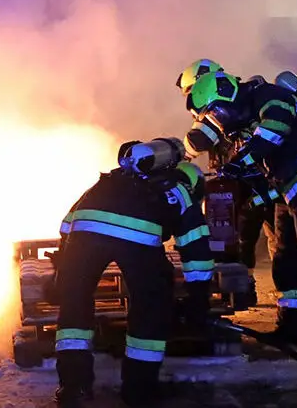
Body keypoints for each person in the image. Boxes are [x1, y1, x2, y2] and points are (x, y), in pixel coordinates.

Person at [186, 71, 297, 356]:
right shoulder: (247, 117)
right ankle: (294, 325)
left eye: (216, 113)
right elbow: (268, 166)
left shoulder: (270, 96)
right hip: (290, 190)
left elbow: (275, 131)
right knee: (285, 259)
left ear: (226, 95)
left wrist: (241, 161)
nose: (217, 119)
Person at [51, 137, 213, 408]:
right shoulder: (180, 191)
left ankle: (73, 388)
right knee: (150, 307)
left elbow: (67, 225)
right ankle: (139, 390)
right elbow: (196, 251)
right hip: (138, 240)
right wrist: (198, 298)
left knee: (74, 308)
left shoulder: (110, 179)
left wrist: (62, 269)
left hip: (84, 236)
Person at [177, 60, 275, 307]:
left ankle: (243, 290)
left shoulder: (217, 109)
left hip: (244, 185)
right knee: (274, 237)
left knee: (236, 240)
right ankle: (285, 290)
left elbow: (197, 141)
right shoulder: (241, 98)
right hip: (266, 182)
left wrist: (172, 158)